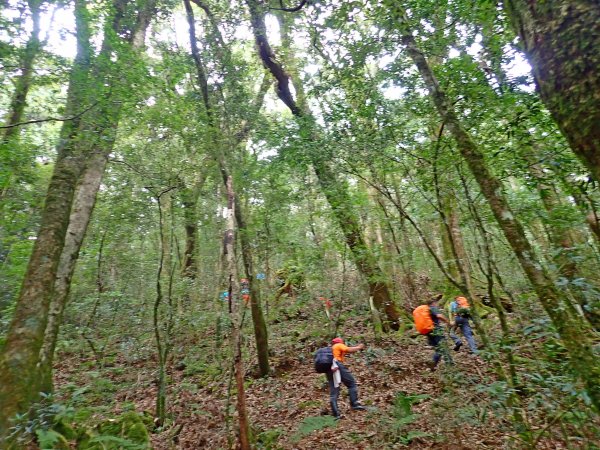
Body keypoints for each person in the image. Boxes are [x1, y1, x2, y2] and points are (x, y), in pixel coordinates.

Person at [327, 337, 367, 419]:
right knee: (351, 383)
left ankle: (336, 414)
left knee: (334, 391)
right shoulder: (338, 345)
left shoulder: (330, 350)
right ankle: (354, 404)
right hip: (337, 366)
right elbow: (348, 350)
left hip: (329, 369)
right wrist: (359, 347)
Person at [426, 295, 462, 369]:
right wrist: (448, 322)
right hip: (436, 331)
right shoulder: (433, 308)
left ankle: (433, 364)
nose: (437, 304)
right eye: (436, 302)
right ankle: (450, 365)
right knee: (443, 347)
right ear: (433, 303)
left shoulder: (426, 310)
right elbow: (439, 316)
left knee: (439, 349)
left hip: (429, 332)